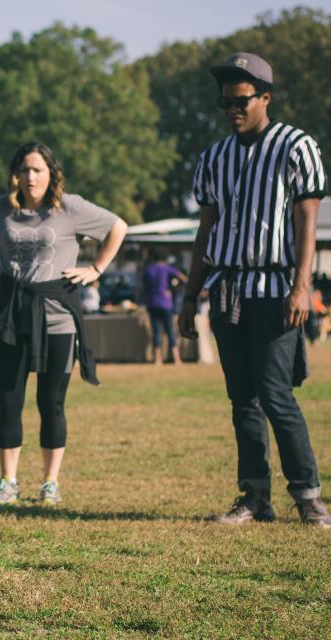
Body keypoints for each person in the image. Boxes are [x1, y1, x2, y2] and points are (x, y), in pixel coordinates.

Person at [180, 52, 330, 527]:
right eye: (225, 102)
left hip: (275, 286)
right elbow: (205, 231)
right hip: (227, 289)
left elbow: (308, 221)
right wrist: (190, 295)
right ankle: (255, 497)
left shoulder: (296, 146)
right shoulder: (213, 157)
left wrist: (301, 286)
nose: (232, 110)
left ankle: (307, 496)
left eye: (241, 101)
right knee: (242, 396)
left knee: (275, 394)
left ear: (266, 97)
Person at [0, 142, 127, 506]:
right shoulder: (1, 209)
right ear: (15, 174)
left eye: (38, 169)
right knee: (8, 400)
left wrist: (95, 269)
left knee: (51, 402)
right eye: (24, 169)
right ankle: (8, 481)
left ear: (51, 173)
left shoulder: (70, 207)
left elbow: (118, 227)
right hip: (11, 313)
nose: (30, 176)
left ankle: (50, 483)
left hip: (57, 317)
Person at [141, 248, 186, 365]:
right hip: (166, 303)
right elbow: (182, 278)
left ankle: (158, 359)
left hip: (152, 302)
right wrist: (173, 289)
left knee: (156, 331)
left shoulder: (148, 270)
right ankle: (177, 359)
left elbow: (144, 287)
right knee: (170, 330)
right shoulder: (167, 268)